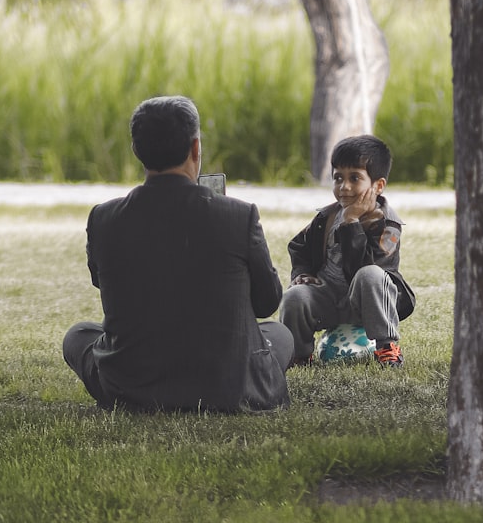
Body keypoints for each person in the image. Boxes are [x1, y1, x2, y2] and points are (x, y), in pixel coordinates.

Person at [62, 95, 294, 412]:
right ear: (195, 148)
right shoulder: (238, 215)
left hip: (132, 387)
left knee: (78, 334)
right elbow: (267, 303)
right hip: (229, 388)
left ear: (136, 151)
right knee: (278, 333)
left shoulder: (103, 217)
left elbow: (106, 285)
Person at [279, 135, 415, 367]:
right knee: (295, 295)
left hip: (367, 305)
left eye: (355, 178)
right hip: (328, 298)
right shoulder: (327, 216)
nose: (344, 186)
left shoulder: (388, 226)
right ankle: (299, 354)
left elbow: (364, 269)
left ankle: (387, 347)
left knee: (371, 274)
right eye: (338, 178)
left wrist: (351, 222)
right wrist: (302, 272)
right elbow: (298, 245)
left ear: (378, 185)